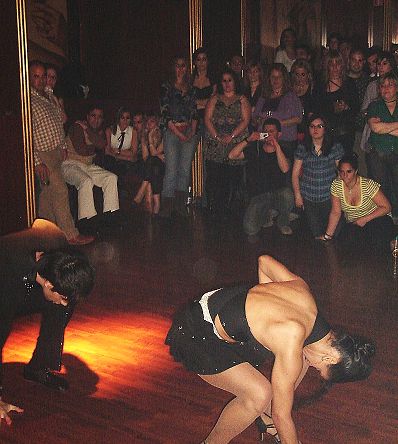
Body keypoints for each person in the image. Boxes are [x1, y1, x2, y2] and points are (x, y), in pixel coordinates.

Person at [165, 254, 375, 444]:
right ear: (330, 358)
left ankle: (265, 420)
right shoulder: (290, 339)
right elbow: (282, 416)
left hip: (220, 310)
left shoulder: (306, 297)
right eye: (320, 369)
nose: (316, 368)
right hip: (197, 333)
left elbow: (264, 261)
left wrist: (263, 304)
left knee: (298, 363)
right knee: (259, 393)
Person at [0, 219, 95, 425]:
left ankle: (38, 367)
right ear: (49, 283)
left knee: (64, 303)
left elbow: (41, 223)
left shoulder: (59, 246)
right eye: (59, 295)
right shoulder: (8, 275)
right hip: (5, 277)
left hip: (31, 274)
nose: (63, 303)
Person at [29, 60, 94, 246]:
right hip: (43, 154)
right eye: (37, 76)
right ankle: (70, 234)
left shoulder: (47, 96)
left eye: (44, 76)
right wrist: (35, 161)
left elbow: (60, 121)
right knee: (60, 190)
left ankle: (46, 236)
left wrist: (64, 146)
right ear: (29, 77)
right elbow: (28, 134)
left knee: (47, 196)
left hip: (56, 151)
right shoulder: (29, 100)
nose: (42, 80)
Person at [229, 118, 294, 236]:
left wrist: (276, 146)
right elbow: (232, 155)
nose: (268, 134)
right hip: (259, 195)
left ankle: (283, 222)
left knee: (287, 194)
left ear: (279, 134)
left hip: (278, 193)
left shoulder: (284, 150)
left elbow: (285, 168)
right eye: (266, 131)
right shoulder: (255, 148)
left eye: (272, 131)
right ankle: (268, 215)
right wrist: (248, 139)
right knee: (250, 229)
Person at [62, 104, 120, 234]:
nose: (96, 120)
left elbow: (102, 144)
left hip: (86, 166)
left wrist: (89, 132)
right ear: (87, 117)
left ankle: (110, 218)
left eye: (100, 117)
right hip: (69, 164)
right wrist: (93, 145)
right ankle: (86, 223)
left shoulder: (93, 131)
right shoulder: (77, 127)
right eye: (93, 116)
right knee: (86, 181)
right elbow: (81, 150)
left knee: (111, 178)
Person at [321, 154, 394, 251]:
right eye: (342, 172)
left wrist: (365, 219)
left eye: (349, 172)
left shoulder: (367, 185)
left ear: (356, 171)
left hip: (376, 219)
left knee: (377, 242)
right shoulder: (336, 185)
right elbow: (335, 212)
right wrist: (327, 236)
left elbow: (387, 207)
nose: (345, 175)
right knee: (346, 244)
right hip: (355, 223)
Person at [204, 68, 251, 216]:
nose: (227, 84)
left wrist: (231, 136)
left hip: (236, 141)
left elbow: (246, 120)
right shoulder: (214, 99)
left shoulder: (242, 99)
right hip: (216, 142)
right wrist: (217, 136)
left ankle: (234, 210)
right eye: (224, 81)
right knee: (215, 177)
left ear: (235, 82)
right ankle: (215, 209)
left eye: (229, 80)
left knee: (234, 177)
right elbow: (207, 119)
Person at [292, 114, 344, 238]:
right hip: (309, 197)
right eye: (312, 126)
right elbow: (295, 174)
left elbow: (342, 172)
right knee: (316, 235)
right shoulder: (303, 147)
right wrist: (297, 195)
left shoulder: (335, 147)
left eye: (319, 126)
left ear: (325, 128)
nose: (315, 129)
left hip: (329, 196)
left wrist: (340, 194)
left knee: (334, 233)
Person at [159, 56, 198, 218]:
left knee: (184, 170)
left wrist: (191, 132)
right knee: (171, 170)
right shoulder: (166, 87)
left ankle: (180, 206)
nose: (181, 69)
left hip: (189, 131)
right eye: (177, 66)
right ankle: (166, 207)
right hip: (172, 131)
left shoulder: (191, 88)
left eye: (183, 66)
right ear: (173, 68)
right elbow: (165, 113)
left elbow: (195, 113)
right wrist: (178, 133)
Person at [253, 63, 303, 161]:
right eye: (273, 77)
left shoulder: (290, 96)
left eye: (279, 77)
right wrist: (259, 120)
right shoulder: (264, 96)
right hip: (265, 140)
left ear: (284, 78)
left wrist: (278, 123)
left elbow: (298, 119)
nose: (275, 80)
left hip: (285, 141)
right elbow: (255, 118)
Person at [367, 72, 398, 222]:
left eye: (390, 85)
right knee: (382, 189)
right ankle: (386, 219)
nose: (386, 88)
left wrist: (385, 126)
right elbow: (375, 128)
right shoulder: (375, 105)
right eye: (383, 85)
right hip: (378, 155)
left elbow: (381, 128)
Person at [314, 50, 359, 154]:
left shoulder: (349, 84)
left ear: (342, 65)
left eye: (337, 63)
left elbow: (356, 108)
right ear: (327, 66)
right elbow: (316, 109)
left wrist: (346, 107)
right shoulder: (320, 85)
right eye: (331, 63)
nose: (335, 67)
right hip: (325, 133)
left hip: (345, 133)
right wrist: (331, 108)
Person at [133, 112, 165, 214]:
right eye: (147, 122)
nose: (149, 124)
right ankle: (156, 207)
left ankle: (141, 192)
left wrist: (151, 141)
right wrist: (149, 139)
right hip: (151, 167)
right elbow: (146, 157)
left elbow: (156, 155)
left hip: (161, 166)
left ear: (157, 123)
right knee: (152, 164)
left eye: (152, 122)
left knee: (154, 162)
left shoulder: (163, 136)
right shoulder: (144, 137)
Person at [104, 107, 139, 178]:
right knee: (109, 162)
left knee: (123, 167)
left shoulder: (133, 131)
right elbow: (107, 151)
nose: (125, 120)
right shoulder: (109, 130)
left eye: (128, 118)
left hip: (124, 162)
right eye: (122, 118)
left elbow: (133, 153)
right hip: (111, 159)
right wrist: (126, 155)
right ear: (118, 118)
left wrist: (118, 152)